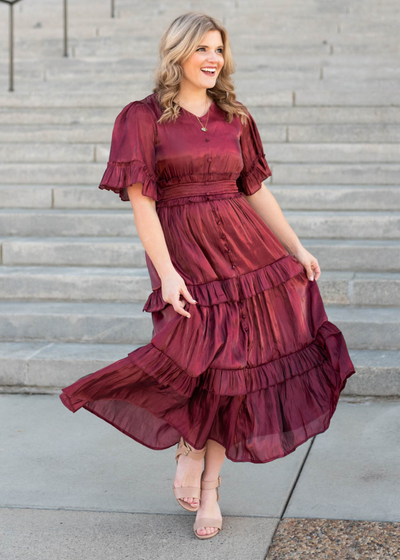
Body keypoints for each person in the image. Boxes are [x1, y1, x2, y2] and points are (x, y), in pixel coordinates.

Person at [59, 12, 356, 540]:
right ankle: (189, 447)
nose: (214, 58)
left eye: (219, 48)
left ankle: (211, 486)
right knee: (200, 357)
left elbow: (254, 189)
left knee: (237, 366)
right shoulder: (141, 117)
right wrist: (167, 274)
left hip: (245, 248)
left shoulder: (235, 116)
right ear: (177, 55)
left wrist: (296, 246)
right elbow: (142, 205)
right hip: (184, 251)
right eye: (202, 49)